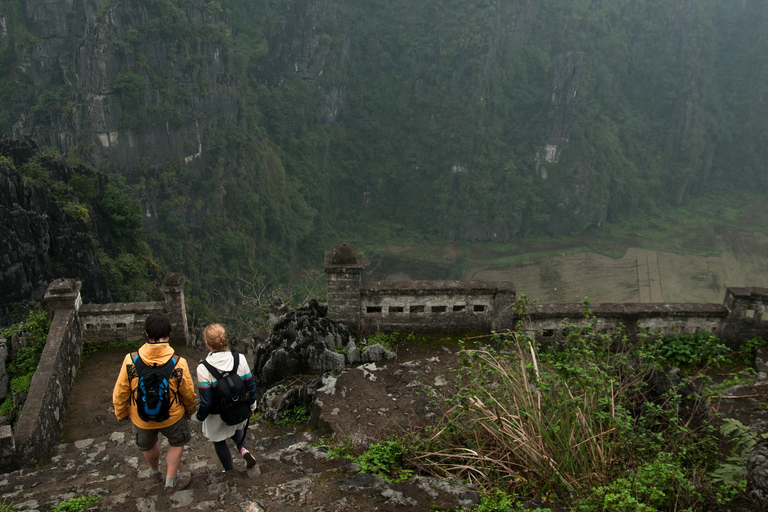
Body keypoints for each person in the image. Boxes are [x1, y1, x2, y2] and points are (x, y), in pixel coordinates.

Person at [112, 312, 197, 493]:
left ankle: (155, 471)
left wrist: (122, 413)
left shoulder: (131, 360)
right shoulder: (178, 362)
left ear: (146, 333)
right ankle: (171, 481)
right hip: (172, 416)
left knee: (148, 445)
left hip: (141, 417)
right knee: (176, 442)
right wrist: (190, 410)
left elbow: (120, 391)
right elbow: (188, 392)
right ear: (169, 332)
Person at [195, 324, 258, 471]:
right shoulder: (240, 359)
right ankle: (243, 450)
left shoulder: (203, 368)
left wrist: (198, 417)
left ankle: (229, 470)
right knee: (236, 428)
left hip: (217, 414)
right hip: (239, 408)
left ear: (207, 343)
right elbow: (250, 385)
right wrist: (252, 406)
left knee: (219, 440)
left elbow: (207, 401)